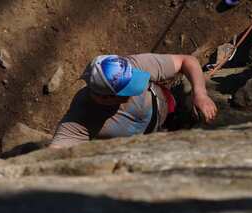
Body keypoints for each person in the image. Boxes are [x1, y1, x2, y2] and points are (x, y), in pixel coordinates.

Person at [49, 53, 217, 148]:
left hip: (168, 106)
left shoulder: (132, 65)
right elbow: (53, 155)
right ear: (105, 97)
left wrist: (200, 94)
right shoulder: (81, 118)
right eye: (127, 90)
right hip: (145, 145)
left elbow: (186, 61)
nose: (134, 90)